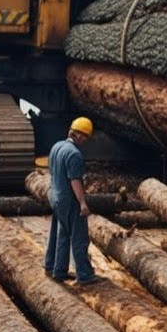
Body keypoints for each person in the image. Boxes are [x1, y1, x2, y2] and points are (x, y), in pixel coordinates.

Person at [43, 117, 100, 286]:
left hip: (56, 197)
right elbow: (75, 180)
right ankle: (85, 274)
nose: (85, 141)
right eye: (85, 137)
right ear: (80, 135)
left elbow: (52, 171)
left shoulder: (57, 147)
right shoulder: (74, 154)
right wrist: (82, 203)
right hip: (70, 200)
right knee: (79, 238)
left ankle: (57, 270)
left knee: (62, 234)